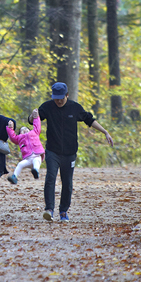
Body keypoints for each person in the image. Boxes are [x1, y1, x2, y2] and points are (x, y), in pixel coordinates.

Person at [29, 82, 114, 223]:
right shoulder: (47, 106)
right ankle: (49, 209)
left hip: (69, 153)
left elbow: (89, 120)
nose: (59, 101)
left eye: (61, 98)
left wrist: (105, 132)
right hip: (52, 151)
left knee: (67, 182)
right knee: (50, 178)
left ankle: (63, 211)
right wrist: (32, 116)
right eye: (56, 98)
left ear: (67, 95)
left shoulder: (75, 108)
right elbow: (33, 120)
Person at [5, 109, 45, 184]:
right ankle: (14, 177)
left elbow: (37, 126)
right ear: (19, 133)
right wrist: (10, 128)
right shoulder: (19, 138)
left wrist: (36, 117)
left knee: (36, 161)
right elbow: (13, 137)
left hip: (37, 155)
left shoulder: (34, 132)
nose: (25, 130)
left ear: (29, 130)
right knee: (20, 164)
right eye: (22, 130)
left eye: (26, 129)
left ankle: (35, 171)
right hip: (28, 159)